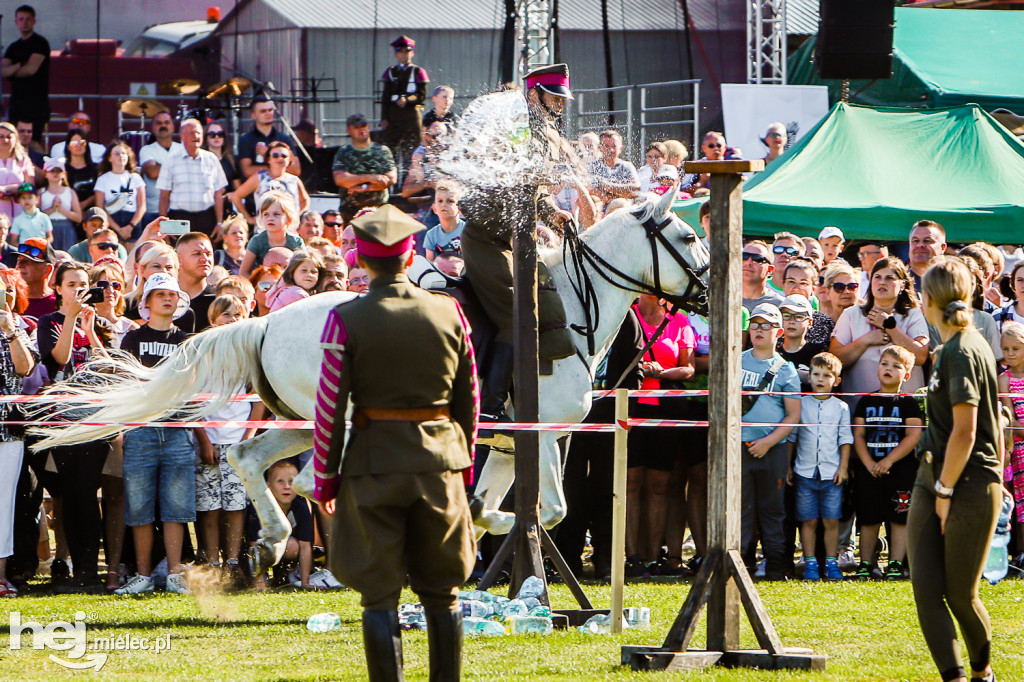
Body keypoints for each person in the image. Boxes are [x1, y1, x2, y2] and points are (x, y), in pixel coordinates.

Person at [311, 205, 476, 681]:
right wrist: (462, 468)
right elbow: (470, 397)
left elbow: (329, 411)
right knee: (443, 591)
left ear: (360, 259)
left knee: (378, 595)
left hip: (372, 464)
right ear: (410, 254)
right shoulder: (449, 311)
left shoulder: (346, 318)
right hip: (439, 463)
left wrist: (325, 479)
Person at [459, 63, 577, 423]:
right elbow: (513, 181)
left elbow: (531, 188)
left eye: (562, 98)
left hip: (512, 239)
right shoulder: (513, 127)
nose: (560, 104)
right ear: (533, 94)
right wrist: (545, 204)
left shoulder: (543, 130)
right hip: (485, 240)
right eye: (553, 97)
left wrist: (553, 210)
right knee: (517, 318)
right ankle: (490, 407)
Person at [908, 258, 1004, 682]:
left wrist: (946, 493)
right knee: (927, 592)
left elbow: (966, 433)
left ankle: (983, 674)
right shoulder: (947, 347)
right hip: (932, 479)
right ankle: (956, 678)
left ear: (926, 299)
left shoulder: (965, 348)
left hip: (966, 485)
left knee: (961, 595)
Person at [115, 273, 195, 595]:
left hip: (177, 430)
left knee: (177, 506)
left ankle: (175, 575)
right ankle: (143, 575)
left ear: (178, 302)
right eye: (159, 293)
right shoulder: (131, 339)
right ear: (146, 301)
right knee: (139, 506)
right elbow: (125, 384)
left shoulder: (188, 341)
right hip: (141, 428)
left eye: (172, 294)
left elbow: (190, 387)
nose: (166, 298)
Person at [37, 262, 112, 592]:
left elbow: (111, 369)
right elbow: (60, 360)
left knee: (88, 493)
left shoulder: (99, 322)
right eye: (71, 284)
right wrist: (70, 318)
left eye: (84, 284)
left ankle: (88, 569)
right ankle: (69, 566)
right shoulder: (48, 322)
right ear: (58, 288)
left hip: (94, 421)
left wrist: (92, 330)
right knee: (70, 495)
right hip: (61, 421)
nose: (79, 290)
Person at [626, 293, 695, 576]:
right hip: (631, 406)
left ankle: (654, 557)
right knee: (630, 483)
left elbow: (688, 368)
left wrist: (662, 373)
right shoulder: (627, 315)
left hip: (666, 409)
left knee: (659, 484)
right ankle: (631, 557)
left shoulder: (679, 320)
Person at [850, 344, 922, 582]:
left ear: (907, 375)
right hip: (868, 470)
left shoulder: (909, 403)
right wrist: (868, 462)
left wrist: (890, 460)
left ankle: (895, 563)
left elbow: (913, 436)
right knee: (869, 519)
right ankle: (866, 563)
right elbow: (858, 434)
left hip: (900, 470)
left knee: (899, 518)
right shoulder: (865, 401)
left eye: (896, 366)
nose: (888, 369)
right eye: (884, 364)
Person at [195, 294, 253, 585]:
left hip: (238, 440)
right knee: (209, 505)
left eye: (238, 315)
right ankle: (211, 561)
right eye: (226, 315)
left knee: (235, 504)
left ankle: (232, 561)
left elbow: (259, 399)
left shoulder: (248, 354)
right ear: (213, 319)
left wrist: (248, 436)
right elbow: (191, 401)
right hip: (208, 440)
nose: (232, 320)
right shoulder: (203, 353)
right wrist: (204, 440)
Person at [740, 303, 801, 580]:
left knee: (773, 509)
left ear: (778, 332)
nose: (759, 330)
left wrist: (768, 441)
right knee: (740, 509)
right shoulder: (735, 361)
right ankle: (741, 562)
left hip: (772, 450)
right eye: (755, 324)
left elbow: (792, 416)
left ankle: (776, 565)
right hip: (737, 448)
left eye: (766, 325)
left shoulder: (786, 370)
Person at [830, 257, 929, 409]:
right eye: (877, 277)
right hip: (860, 411)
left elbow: (921, 356)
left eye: (889, 278)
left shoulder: (913, 315)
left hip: (906, 412)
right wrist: (866, 341)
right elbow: (835, 360)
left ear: (902, 285)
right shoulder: (851, 314)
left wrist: (890, 327)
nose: (882, 282)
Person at [789, 352, 852, 582]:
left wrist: (843, 467)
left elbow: (845, 439)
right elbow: (792, 437)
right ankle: (810, 563)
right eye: (816, 374)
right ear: (809, 377)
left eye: (827, 375)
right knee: (808, 520)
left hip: (831, 473)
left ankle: (832, 563)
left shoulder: (841, 408)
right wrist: (788, 466)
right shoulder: (801, 404)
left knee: (831, 520)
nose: (820, 379)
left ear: (836, 380)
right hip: (804, 471)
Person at [0, 269, 37, 597]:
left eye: (9, 292)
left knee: (3, 504)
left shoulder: (24, 329)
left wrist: (11, 332)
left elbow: (25, 368)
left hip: (7, 432)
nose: (4, 297)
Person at [247, 460, 315, 590]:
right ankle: (261, 577)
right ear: (268, 486)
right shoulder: (259, 507)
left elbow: (305, 546)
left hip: (282, 548)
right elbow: (253, 544)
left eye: (291, 481)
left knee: (293, 546)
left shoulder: (301, 508)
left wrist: (305, 582)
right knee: (260, 548)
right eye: (280, 481)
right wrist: (258, 581)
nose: (287, 486)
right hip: (257, 552)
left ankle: (284, 574)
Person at [157, 119, 227, 237]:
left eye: (198, 133)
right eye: (191, 133)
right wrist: (164, 226)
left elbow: (218, 193)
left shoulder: (211, 159)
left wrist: (220, 222)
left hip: (206, 217)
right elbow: (164, 195)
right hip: (179, 217)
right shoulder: (171, 159)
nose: (195, 136)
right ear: (182, 136)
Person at [332, 113, 397, 221]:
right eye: (356, 127)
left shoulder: (382, 151)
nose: (361, 130)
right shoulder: (344, 152)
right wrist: (370, 178)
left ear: (368, 127)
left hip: (378, 210)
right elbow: (340, 179)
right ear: (349, 131)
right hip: (351, 211)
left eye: (363, 126)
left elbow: (391, 178)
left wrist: (363, 187)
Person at [380, 35, 430, 172]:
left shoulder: (418, 72)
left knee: (412, 150)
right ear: (396, 54)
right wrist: (384, 118)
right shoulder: (391, 72)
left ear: (412, 53)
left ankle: (413, 177)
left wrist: (407, 100)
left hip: (411, 118)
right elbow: (385, 97)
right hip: (393, 117)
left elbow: (422, 95)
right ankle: (391, 179)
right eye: (401, 52)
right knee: (389, 150)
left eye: (407, 52)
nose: (404, 55)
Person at [1, 5, 50, 142]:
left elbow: (30, 70)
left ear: (34, 21)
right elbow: (4, 72)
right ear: (16, 21)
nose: (24, 22)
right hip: (17, 102)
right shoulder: (13, 47)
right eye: (21, 19)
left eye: (28, 19)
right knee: (13, 140)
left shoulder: (40, 43)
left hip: (36, 103)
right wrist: (21, 64)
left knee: (33, 141)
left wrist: (14, 69)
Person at [998, 321, 1024, 569]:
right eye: (1006, 349)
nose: (1010, 354)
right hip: (1016, 448)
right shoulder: (1003, 379)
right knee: (1019, 498)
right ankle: (1019, 550)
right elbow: (1008, 417)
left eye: (1015, 348)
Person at [231, 140, 309, 224]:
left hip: (289, 230)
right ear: (268, 159)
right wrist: (248, 219)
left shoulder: (294, 180)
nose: (280, 158)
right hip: (264, 230)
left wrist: (297, 216)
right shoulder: (259, 177)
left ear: (289, 159)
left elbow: (305, 200)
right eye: (275, 156)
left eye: (284, 156)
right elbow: (236, 196)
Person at [239, 191, 304, 277]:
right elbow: (244, 272)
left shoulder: (296, 242)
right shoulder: (257, 241)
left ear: (289, 220)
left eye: (276, 214)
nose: (270, 218)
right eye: (266, 214)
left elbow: (302, 269)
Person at [93, 142, 146, 243]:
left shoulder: (136, 177)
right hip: (112, 219)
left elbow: (142, 206)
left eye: (124, 153)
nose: (121, 156)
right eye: (117, 154)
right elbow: (100, 207)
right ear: (109, 158)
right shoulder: (103, 179)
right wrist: (117, 229)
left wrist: (130, 227)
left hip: (133, 220)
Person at [236, 95, 299, 180]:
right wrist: (278, 166)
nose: (268, 113)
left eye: (270, 110)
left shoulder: (285, 139)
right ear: (253, 115)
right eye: (263, 111)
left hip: (280, 189)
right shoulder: (246, 140)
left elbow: (296, 170)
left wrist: (267, 155)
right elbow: (247, 171)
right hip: (255, 189)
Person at [139, 112, 182, 226]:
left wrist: (160, 165)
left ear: (173, 127)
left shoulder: (182, 148)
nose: (163, 126)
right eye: (159, 123)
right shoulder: (147, 150)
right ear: (153, 128)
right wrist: (178, 167)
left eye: (167, 123)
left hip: (179, 210)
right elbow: (152, 173)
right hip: (153, 211)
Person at [175, 232, 217, 334]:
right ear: (179, 259)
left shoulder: (218, 298)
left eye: (208, 254)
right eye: (197, 253)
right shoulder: (166, 298)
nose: (205, 259)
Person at [39, 157, 81, 251]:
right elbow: (36, 215)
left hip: (66, 229)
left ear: (64, 174)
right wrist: (52, 209)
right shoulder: (41, 192)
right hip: (47, 229)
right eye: (52, 171)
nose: (55, 174)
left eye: (58, 171)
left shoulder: (70, 192)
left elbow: (78, 217)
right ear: (46, 174)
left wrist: (61, 209)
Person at [587, 129, 640, 202]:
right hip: (600, 208)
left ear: (620, 148)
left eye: (614, 146)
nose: (610, 150)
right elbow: (590, 190)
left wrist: (607, 186)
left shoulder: (627, 166)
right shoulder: (593, 166)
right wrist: (620, 193)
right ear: (600, 148)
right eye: (606, 146)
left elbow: (635, 189)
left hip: (624, 208)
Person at [0, 122, 36, 220]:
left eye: (9, 137)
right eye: (1, 137)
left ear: (15, 139)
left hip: (19, 213)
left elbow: (30, 186)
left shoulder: (23, 160)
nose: (5, 140)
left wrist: (6, 189)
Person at [15, 237, 56, 318]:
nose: (19, 265)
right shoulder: (9, 300)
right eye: (19, 260)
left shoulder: (60, 303)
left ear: (47, 269)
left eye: (27, 261)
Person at [423, 181, 464, 261]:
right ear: (434, 208)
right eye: (440, 201)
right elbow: (430, 264)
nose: (444, 204)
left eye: (450, 201)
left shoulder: (467, 232)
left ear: (460, 208)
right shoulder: (431, 235)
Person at [64, 129, 98, 221]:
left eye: (82, 142)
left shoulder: (95, 169)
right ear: (68, 146)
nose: (78, 145)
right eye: (74, 142)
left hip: (92, 214)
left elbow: (100, 191)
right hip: (69, 214)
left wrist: (84, 204)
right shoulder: (63, 169)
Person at [741, 240, 783, 310]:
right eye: (744, 257)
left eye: (758, 259)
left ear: (770, 270)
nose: (749, 262)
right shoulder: (722, 297)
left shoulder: (780, 305)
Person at [908, 220, 946, 294]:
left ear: (943, 248)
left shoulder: (951, 282)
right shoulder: (899, 283)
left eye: (927, 241)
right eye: (915, 241)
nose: (920, 245)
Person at [203, 121, 239, 193]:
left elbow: (237, 188)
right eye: (212, 135)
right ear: (206, 138)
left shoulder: (231, 161)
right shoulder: (202, 160)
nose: (216, 137)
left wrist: (232, 194)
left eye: (220, 134)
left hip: (228, 201)